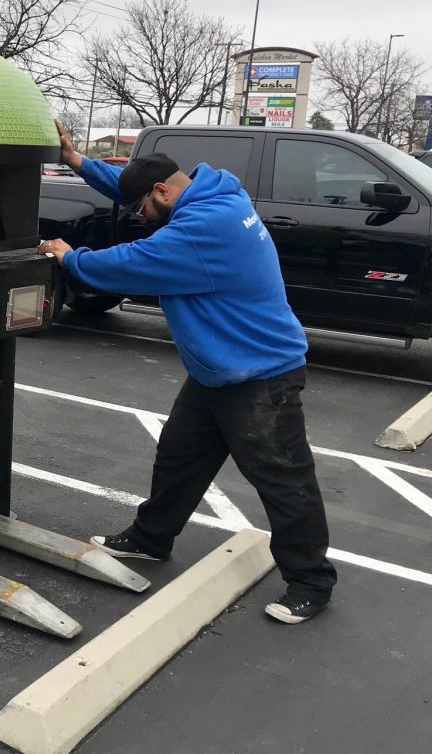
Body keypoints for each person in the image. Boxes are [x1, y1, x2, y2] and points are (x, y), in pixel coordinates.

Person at [38, 120, 337, 625]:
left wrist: (70, 255)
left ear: (162, 191)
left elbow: (125, 264)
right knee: (180, 456)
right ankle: (150, 539)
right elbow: (134, 190)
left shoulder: (200, 231)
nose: (139, 218)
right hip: (220, 367)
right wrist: (76, 161)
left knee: (284, 480)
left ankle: (311, 582)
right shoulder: (212, 195)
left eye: (141, 210)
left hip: (260, 376)